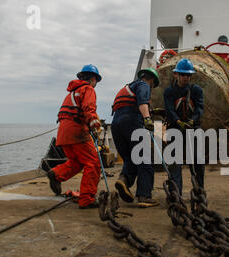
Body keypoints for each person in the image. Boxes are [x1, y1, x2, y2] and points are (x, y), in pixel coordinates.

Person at [47, 64, 102, 209]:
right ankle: (87, 200)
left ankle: (57, 174)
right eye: (96, 81)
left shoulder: (71, 93)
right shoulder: (87, 89)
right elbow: (89, 109)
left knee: (77, 161)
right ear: (93, 79)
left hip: (63, 134)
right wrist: (95, 126)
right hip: (77, 132)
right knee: (93, 163)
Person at [111, 68, 160, 208]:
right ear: (151, 81)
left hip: (116, 125)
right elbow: (142, 103)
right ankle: (144, 196)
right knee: (145, 160)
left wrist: (151, 111)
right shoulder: (143, 85)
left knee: (131, 158)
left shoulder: (127, 87)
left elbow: (129, 104)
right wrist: (148, 119)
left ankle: (123, 180)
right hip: (132, 122)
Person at [163, 58, 204, 195]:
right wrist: (178, 121)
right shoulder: (169, 92)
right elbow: (169, 109)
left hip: (193, 128)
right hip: (175, 129)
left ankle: (199, 191)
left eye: (188, 75)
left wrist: (192, 120)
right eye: (183, 75)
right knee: (175, 162)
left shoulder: (196, 91)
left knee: (198, 161)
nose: (185, 77)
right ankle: (176, 194)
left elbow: (200, 108)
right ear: (176, 75)